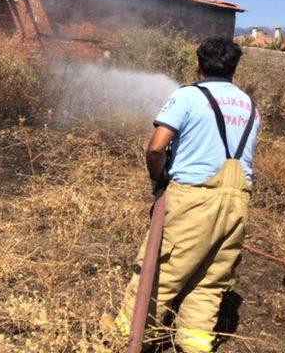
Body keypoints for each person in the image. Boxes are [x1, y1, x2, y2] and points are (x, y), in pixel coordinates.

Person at [111, 37, 261, 353]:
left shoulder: (189, 96)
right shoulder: (250, 106)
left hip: (193, 201)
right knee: (209, 285)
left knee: (158, 276)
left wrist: (159, 178)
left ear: (198, 63)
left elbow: (156, 146)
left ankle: (124, 342)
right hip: (237, 205)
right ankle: (193, 346)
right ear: (234, 67)